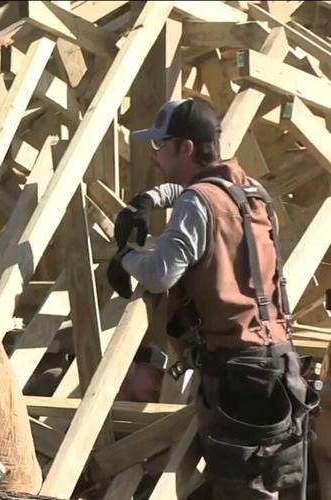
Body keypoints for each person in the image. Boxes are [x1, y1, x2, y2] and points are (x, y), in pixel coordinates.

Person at [106, 97, 319, 499]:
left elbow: (160, 274)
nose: (155, 155)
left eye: (161, 145)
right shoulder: (253, 193)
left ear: (185, 147)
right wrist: (153, 198)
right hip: (280, 363)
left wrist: (125, 257)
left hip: (238, 373)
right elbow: (202, 193)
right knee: (277, 482)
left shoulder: (197, 203)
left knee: (245, 490)